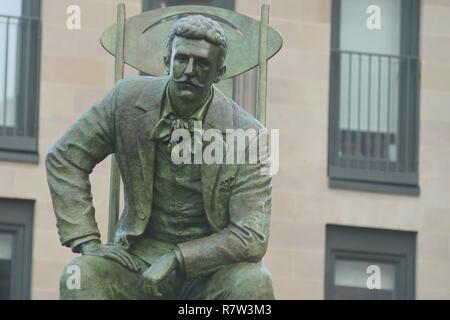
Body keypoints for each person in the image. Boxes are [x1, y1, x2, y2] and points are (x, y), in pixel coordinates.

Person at [46, 15, 274, 299]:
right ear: (167, 61)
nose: (189, 70)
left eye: (202, 64)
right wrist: (86, 240)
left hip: (212, 275)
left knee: (255, 283)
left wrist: (177, 258)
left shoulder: (250, 136)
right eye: (182, 59)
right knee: (79, 277)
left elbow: (251, 238)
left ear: (219, 72)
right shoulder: (126, 101)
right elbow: (65, 157)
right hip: (137, 264)